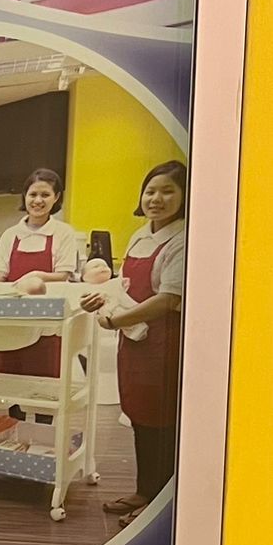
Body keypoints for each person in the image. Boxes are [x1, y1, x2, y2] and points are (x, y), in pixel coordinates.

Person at [82, 159, 185, 523]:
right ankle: (145, 491)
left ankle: (159, 508)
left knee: (162, 423)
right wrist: (100, 299)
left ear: (184, 196)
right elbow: (124, 284)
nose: (157, 199)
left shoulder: (183, 239)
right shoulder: (140, 236)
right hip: (134, 344)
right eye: (151, 191)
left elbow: (168, 299)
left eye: (168, 191)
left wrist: (115, 320)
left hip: (163, 344)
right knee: (141, 417)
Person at [0, 167, 80, 386]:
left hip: (48, 322)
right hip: (12, 321)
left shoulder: (64, 233)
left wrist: (37, 276)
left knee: (45, 386)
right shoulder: (10, 235)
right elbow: (0, 276)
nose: (38, 200)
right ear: (25, 196)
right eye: (33, 194)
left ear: (56, 197)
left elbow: (64, 275)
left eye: (45, 194)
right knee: (10, 384)